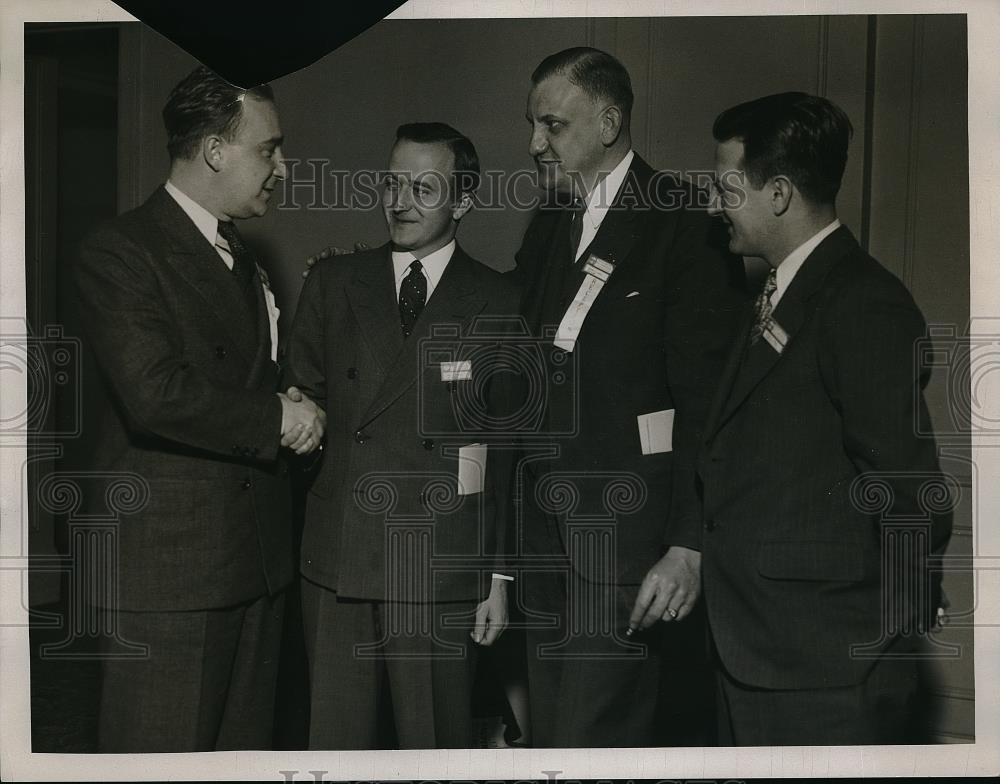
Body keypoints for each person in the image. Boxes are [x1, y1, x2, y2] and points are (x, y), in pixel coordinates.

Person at [74, 65, 325, 752]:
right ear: (215, 150)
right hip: (174, 583)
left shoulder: (241, 257)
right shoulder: (122, 252)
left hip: (254, 568)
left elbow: (243, 379)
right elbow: (156, 394)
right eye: (268, 148)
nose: (281, 165)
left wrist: (290, 396)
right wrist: (277, 417)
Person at [699, 91, 952, 745]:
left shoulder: (863, 303)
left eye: (725, 187)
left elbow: (910, 489)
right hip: (755, 649)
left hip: (823, 669)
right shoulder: (779, 294)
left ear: (778, 192)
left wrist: (877, 649)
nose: (710, 205)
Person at [512, 47, 746, 747]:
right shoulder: (551, 222)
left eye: (552, 125)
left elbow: (710, 401)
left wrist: (687, 543)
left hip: (626, 541)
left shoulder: (681, 222)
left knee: (596, 736)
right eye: (532, 125)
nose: (533, 144)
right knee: (551, 732)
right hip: (544, 536)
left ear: (609, 121)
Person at [283, 122, 520, 749]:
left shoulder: (498, 300)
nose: (400, 200)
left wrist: (498, 579)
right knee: (333, 749)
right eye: (392, 183)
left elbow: (504, 453)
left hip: (439, 565)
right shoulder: (333, 282)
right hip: (339, 559)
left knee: (434, 748)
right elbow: (299, 403)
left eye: (423, 187)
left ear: (463, 201)